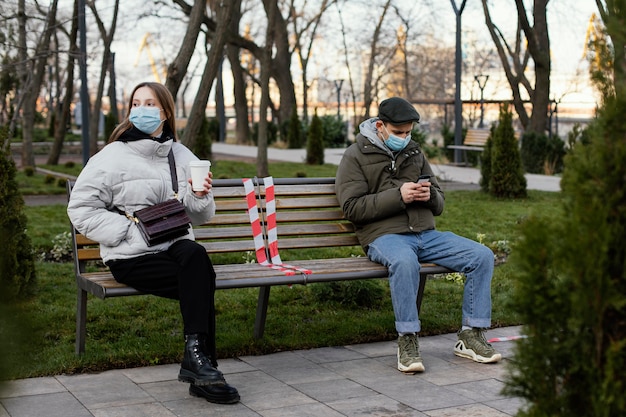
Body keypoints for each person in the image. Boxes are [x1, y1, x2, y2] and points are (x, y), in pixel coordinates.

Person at [67, 82, 240, 404]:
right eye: (136, 103)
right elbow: (80, 208)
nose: (141, 109)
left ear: (166, 112)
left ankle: (198, 366)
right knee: (200, 280)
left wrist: (200, 196)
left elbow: (200, 216)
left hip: (173, 245)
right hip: (130, 256)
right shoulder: (111, 156)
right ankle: (204, 371)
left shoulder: (180, 154)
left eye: (150, 103)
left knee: (195, 256)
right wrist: (128, 231)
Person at [335, 97, 501, 373]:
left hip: (425, 233)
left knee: (481, 255)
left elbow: (440, 205)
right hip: (384, 236)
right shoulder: (355, 155)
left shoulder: (414, 152)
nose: (404, 137)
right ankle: (407, 339)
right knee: (404, 262)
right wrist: (398, 196)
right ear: (380, 126)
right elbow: (352, 208)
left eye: (408, 132)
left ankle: (471, 336)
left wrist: (429, 194)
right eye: (398, 132)